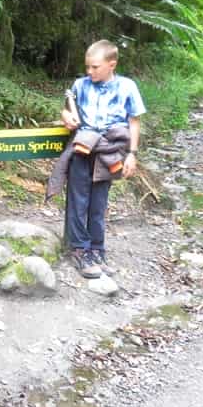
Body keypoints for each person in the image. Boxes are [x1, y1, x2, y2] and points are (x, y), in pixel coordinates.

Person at [55, 39, 145, 279]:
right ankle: (80, 251)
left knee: (98, 203)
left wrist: (132, 155)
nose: (89, 71)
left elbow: (134, 121)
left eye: (95, 67)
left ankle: (97, 249)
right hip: (83, 148)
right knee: (78, 201)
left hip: (109, 152)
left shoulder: (127, 87)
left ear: (111, 65)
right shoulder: (80, 85)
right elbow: (66, 109)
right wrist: (67, 118)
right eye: (88, 67)